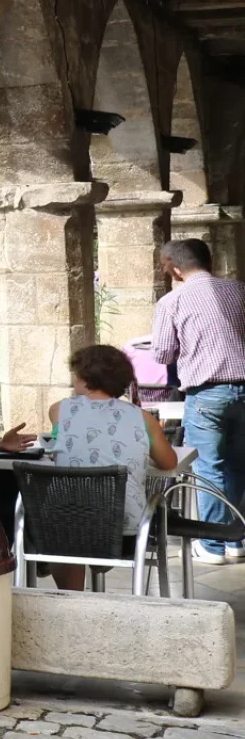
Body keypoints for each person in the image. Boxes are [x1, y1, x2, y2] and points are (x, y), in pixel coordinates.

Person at [46, 346, 178, 590]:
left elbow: (65, 441)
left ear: (84, 379)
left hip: (67, 530)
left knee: (67, 519)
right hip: (124, 532)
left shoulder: (59, 410)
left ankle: (73, 597)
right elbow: (169, 462)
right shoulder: (143, 418)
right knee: (82, 526)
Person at [151, 238, 245, 563]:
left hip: (207, 392)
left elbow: (162, 353)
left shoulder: (172, 302)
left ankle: (213, 545)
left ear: (175, 267)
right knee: (237, 464)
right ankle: (236, 541)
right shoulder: (239, 290)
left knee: (209, 466)